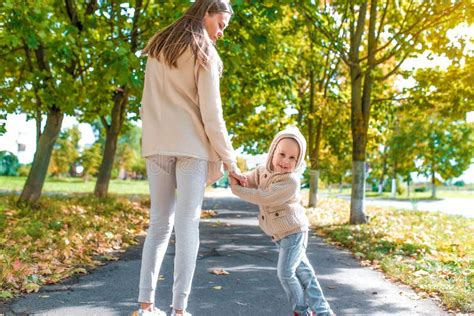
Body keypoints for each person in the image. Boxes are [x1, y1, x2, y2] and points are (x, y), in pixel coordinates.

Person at [138, 1, 246, 315]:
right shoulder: (204, 53)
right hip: (191, 149)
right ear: (206, 14)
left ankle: (146, 306)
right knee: (187, 226)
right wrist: (231, 161)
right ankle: (180, 310)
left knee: (158, 225)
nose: (221, 33)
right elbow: (213, 117)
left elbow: (146, 103)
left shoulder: (158, 47)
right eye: (221, 24)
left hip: (156, 145)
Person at [230, 127, 334, 316]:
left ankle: (301, 311)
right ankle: (324, 312)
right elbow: (249, 180)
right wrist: (237, 177)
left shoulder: (291, 181)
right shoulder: (263, 171)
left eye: (293, 158)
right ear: (272, 153)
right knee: (305, 274)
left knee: (285, 273)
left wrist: (237, 190)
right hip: (281, 234)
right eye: (282, 154)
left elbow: (264, 197)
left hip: (294, 232)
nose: (286, 161)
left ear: (299, 161)